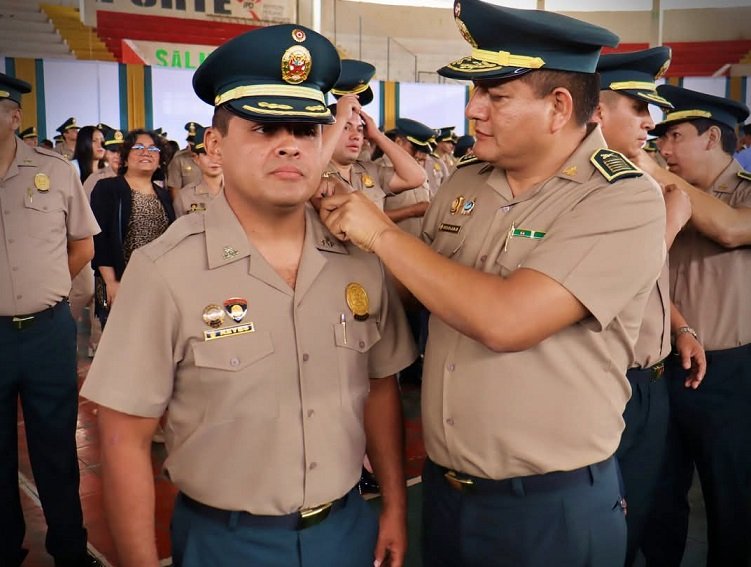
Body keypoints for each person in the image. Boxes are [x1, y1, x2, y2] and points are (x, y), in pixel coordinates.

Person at [319, 1, 668, 565]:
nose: (473, 109)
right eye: (475, 92)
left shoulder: (621, 198)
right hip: (448, 490)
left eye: (496, 96)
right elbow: (421, 288)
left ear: (559, 107)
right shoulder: (470, 181)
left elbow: (508, 320)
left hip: (548, 509)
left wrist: (382, 235)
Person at [80, 24, 416, 567]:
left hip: (346, 530)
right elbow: (123, 439)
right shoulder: (165, 269)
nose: (289, 143)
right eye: (263, 128)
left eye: (306, 129)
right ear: (215, 144)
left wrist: (395, 507)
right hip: (227, 543)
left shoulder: (359, 256)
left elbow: (380, 389)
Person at [591, 46, 706, 567]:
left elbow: (654, 283)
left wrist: (681, 327)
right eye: (636, 108)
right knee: (608, 524)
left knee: (648, 512)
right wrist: (670, 223)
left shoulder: (639, 181)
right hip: (608, 380)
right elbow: (607, 284)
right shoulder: (587, 190)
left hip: (653, 377)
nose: (649, 122)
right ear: (595, 109)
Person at [634, 85, 751, 567]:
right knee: (657, 496)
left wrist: (652, 171)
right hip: (663, 366)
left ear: (712, 138)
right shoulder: (654, 194)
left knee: (732, 501)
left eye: (675, 136)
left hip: (729, 374)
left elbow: (728, 228)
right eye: (659, 139)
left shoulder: (742, 196)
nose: (664, 148)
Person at [0, 73, 102, 567]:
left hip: (47, 331)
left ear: (14, 116)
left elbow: (84, 244)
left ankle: (68, 546)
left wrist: (49, 288)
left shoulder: (56, 171)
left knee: (56, 446)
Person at [89, 129, 175, 328]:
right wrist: (111, 282)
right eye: (138, 147)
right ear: (125, 159)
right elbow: (99, 240)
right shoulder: (108, 188)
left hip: (158, 286)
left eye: (153, 148)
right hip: (120, 283)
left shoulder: (163, 194)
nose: (146, 152)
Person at [318, 97, 428, 234]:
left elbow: (416, 177)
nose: (356, 136)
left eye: (359, 130)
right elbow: (312, 172)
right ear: (323, 132)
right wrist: (340, 117)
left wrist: (377, 135)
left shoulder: (369, 171)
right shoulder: (315, 172)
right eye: (345, 127)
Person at [69, 125, 106, 357]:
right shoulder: (71, 169)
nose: (100, 145)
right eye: (95, 141)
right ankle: (64, 333)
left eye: (102, 140)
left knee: (99, 294)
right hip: (80, 239)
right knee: (82, 290)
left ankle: (96, 343)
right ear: (84, 143)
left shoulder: (107, 170)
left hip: (102, 238)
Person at [173, 125, 223, 217]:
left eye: (218, 153)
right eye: (205, 154)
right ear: (196, 159)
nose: (213, 159)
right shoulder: (185, 197)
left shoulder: (242, 193)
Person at [82, 127, 124, 198]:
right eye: (113, 151)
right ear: (106, 153)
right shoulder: (95, 179)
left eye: (122, 151)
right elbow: (84, 206)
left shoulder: (138, 177)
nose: (118, 155)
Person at [166, 121, 202, 199]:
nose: (190, 146)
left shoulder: (213, 159)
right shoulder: (179, 160)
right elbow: (175, 190)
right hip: (190, 207)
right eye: (190, 143)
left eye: (194, 144)